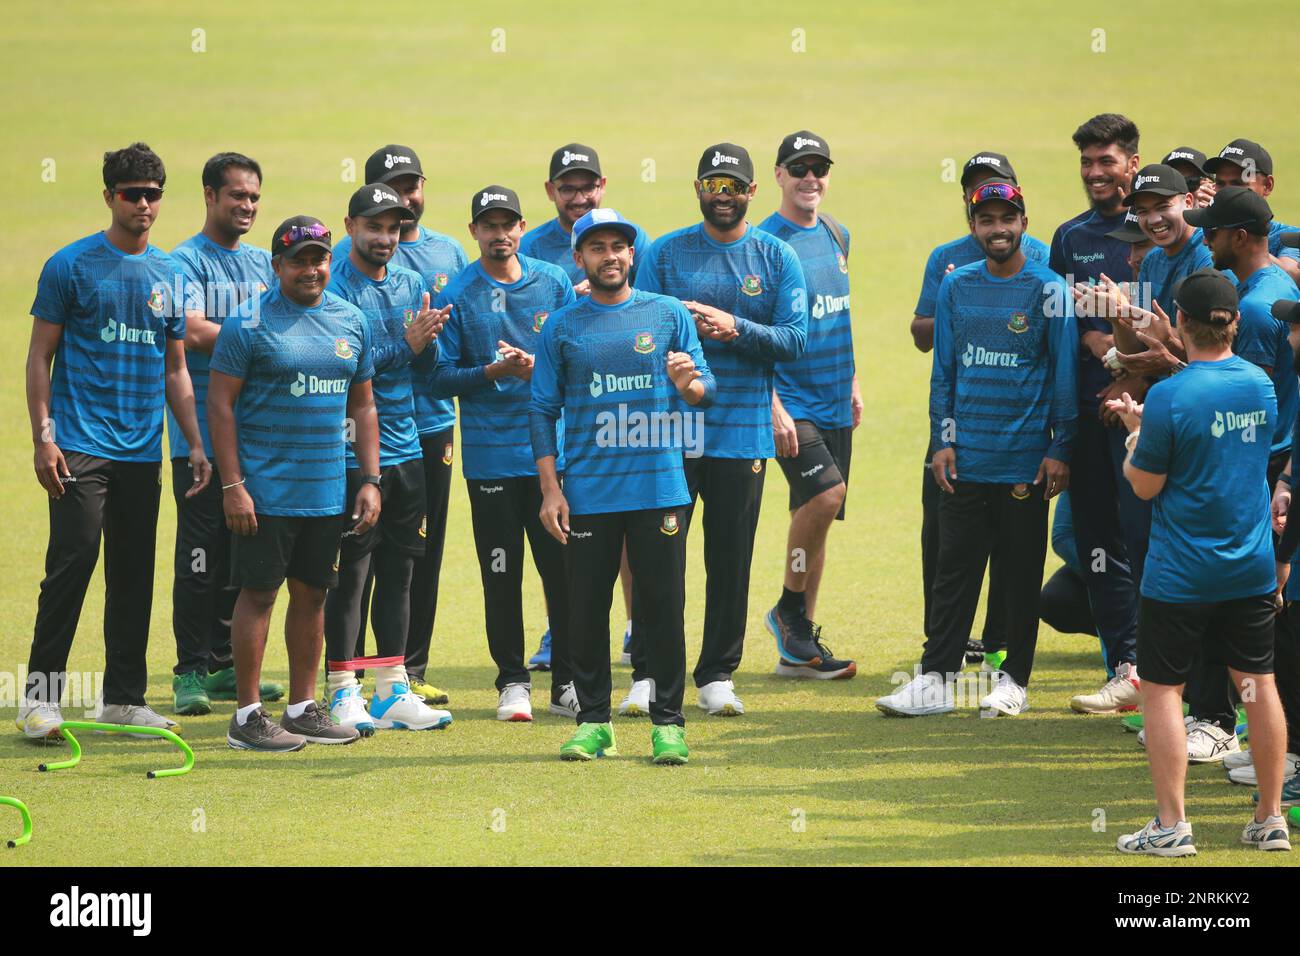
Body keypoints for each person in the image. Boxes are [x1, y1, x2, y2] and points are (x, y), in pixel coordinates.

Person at [19, 142, 210, 739]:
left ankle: (122, 697)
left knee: (133, 573)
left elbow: (176, 368)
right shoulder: (70, 265)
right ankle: (39, 699)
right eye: (133, 194)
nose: (145, 205)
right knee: (71, 566)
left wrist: (196, 444)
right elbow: (39, 357)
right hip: (78, 444)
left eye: (154, 194)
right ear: (110, 197)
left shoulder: (171, 275)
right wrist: (43, 439)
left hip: (139, 451)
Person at [876, 179, 1075, 718]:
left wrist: (1061, 447)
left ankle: (1014, 680)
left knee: (1018, 572)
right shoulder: (957, 285)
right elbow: (945, 371)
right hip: (966, 457)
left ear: (1024, 225)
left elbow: (1063, 376)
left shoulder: (1050, 288)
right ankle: (937, 679)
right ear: (973, 227)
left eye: (1006, 219)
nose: (997, 229)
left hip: (1023, 461)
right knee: (953, 571)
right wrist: (942, 439)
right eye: (986, 220)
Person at [1110, 269, 1290, 854]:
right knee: (1258, 685)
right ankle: (1269, 819)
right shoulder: (1260, 385)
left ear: (1181, 323)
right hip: (1251, 569)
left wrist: (1136, 436)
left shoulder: (1168, 396)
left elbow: (1144, 485)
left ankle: (1171, 827)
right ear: (1233, 322)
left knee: (1163, 691)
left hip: (1181, 574)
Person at [531, 208, 715, 763]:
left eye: (618, 246)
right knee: (585, 610)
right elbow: (541, 408)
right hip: (588, 491)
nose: (609, 255)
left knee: (663, 609)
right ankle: (594, 721)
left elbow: (703, 387)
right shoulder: (561, 326)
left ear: (632, 255)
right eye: (596, 247)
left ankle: (669, 724)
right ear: (579, 258)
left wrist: (689, 385)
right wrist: (550, 489)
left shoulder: (666, 314)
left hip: (660, 490)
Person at [636, 143, 808, 716]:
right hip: (670, 433)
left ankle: (716, 674)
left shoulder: (777, 258)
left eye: (734, 186)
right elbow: (635, 327)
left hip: (742, 433)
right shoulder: (665, 253)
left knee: (730, 558)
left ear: (753, 192)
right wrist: (682, 334)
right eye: (714, 185)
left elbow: (794, 339)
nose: (724, 196)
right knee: (661, 558)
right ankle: (651, 674)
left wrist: (735, 327)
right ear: (698, 189)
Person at [208, 216, 378, 752]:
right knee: (258, 595)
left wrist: (370, 479)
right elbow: (219, 403)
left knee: (313, 594)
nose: (311, 268)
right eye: (299, 259)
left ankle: (304, 708)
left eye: (319, 258)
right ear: (277, 265)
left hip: (325, 491)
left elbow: (365, 404)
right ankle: (247, 716)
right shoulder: (248, 324)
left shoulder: (351, 320)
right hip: (265, 492)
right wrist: (232, 484)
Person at [431, 186, 577, 722]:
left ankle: (566, 682)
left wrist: (537, 367)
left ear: (521, 227)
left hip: (553, 460)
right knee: (501, 572)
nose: (500, 235)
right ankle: (513, 681)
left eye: (508, 224)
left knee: (562, 573)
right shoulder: (458, 291)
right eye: (488, 226)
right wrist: (494, 372)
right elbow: (441, 375)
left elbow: (574, 354)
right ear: (474, 231)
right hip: (491, 459)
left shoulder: (554, 282)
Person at [336, 145, 468, 706]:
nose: (384, 238)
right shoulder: (335, 286)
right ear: (351, 227)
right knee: (352, 573)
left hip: (406, 445)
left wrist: (429, 348)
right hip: (348, 455)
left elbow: (427, 371)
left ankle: (393, 686)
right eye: (373, 227)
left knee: (401, 570)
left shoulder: (412, 286)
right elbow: (343, 368)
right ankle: (343, 687)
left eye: (392, 228)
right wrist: (405, 344)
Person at [910, 151, 1052, 673]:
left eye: (1002, 199)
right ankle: (943, 653)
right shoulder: (948, 265)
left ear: (1019, 210)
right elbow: (929, 344)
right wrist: (958, 310)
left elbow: (1055, 354)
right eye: (979, 196)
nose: (995, 223)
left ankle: (1000, 648)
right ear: (969, 209)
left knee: (1016, 551)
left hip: (1020, 437)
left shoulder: (1042, 264)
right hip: (961, 429)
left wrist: (1058, 443)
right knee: (947, 544)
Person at [518, 142, 651, 673]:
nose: (578, 195)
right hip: (556, 411)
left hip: (616, 414)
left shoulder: (623, 243)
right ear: (550, 191)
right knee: (568, 533)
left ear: (602, 186)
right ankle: (561, 629)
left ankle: (638, 631)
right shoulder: (526, 247)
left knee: (624, 534)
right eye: (566, 187)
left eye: (587, 185)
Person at [167, 152, 283, 717]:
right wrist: (256, 347)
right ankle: (189, 669)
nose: (247, 207)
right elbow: (187, 330)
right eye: (237, 195)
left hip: (255, 440)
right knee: (198, 555)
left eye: (255, 198)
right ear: (210, 195)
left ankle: (224, 666)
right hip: (200, 441)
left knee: (244, 558)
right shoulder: (184, 262)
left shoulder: (265, 263)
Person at [1046, 114, 1148, 716]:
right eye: (1087, 162)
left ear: (1131, 163)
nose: (1095, 173)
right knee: (1098, 543)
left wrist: (1114, 353)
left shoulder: (1160, 231)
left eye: (1106, 161)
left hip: (1141, 415)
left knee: (1145, 539)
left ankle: (1170, 677)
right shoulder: (1070, 237)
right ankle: (1126, 670)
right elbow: (1066, 335)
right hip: (1088, 419)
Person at [761, 130, 859, 680]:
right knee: (826, 494)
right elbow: (756, 333)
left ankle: (799, 649)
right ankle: (788, 611)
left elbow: (836, 313)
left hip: (833, 396)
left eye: (818, 168)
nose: (809, 178)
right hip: (788, 399)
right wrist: (771, 402)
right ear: (778, 175)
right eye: (798, 168)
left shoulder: (838, 234)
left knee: (815, 517)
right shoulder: (766, 243)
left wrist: (854, 380)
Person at [1205, 139, 1300, 283]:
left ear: (1267, 186)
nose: (1227, 194)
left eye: (1238, 185)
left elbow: (1292, 276)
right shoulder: (1206, 231)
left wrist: (1241, 247)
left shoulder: (1289, 237)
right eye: (1220, 184)